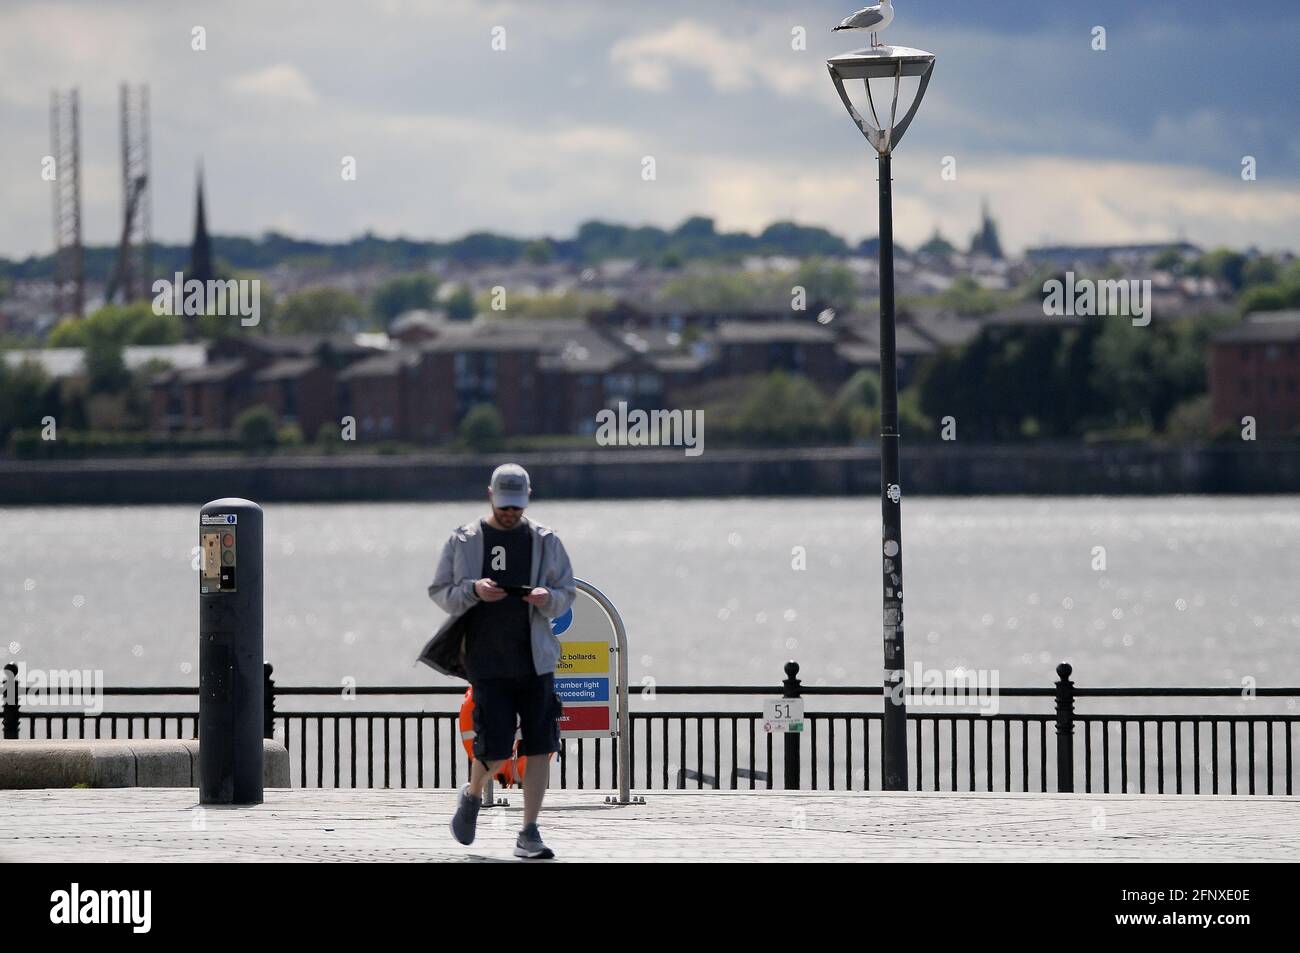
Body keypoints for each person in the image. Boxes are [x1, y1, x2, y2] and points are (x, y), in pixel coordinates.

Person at [417, 463, 576, 859]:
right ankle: (472, 796)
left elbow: (566, 591)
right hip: (487, 662)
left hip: (535, 660)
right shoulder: (465, 539)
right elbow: (441, 591)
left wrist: (546, 598)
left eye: (516, 507)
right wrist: (473, 589)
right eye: (505, 506)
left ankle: (529, 831)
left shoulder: (545, 540)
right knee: (495, 747)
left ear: (527, 499)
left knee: (541, 745)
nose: (510, 513)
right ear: (490, 495)